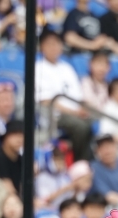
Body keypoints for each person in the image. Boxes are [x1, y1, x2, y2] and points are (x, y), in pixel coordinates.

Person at [35, 29, 92, 161]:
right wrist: (74, 112)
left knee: (99, 120)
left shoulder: (67, 67)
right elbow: (46, 100)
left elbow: (78, 96)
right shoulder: (38, 67)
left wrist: (83, 108)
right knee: (81, 127)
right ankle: (80, 162)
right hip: (54, 115)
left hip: (75, 111)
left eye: (57, 44)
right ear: (42, 47)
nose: (54, 47)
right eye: (49, 44)